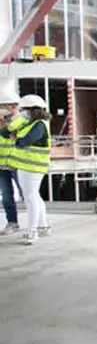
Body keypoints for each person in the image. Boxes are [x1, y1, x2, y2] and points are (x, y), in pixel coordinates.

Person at [3, 94, 52, 245]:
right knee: (34, 196)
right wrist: (16, 123)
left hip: (33, 167)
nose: (22, 112)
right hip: (26, 167)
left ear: (32, 110)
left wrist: (15, 138)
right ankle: (42, 226)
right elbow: (5, 133)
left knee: (30, 198)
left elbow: (24, 142)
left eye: (23, 110)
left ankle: (32, 231)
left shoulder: (39, 124)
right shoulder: (28, 123)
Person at [0, 88, 23, 236]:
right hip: (2, 164)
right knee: (7, 196)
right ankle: (12, 222)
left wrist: (5, 125)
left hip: (17, 163)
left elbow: (15, 136)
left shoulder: (20, 120)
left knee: (28, 194)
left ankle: (38, 222)